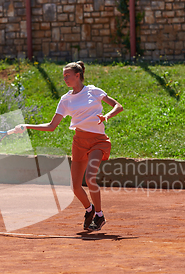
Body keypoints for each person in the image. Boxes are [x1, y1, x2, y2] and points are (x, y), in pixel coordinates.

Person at [13, 61, 123, 232]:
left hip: (98, 141)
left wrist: (106, 116)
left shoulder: (93, 91)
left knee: (90, 178)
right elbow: (51, 126)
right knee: (75, 186)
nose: (64, 79)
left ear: (77, 75)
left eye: (67, 75)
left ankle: (100, 215)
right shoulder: (65, 100)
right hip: (79, 142)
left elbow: (118, 106)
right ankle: (89, 209)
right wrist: (27, 126)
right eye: (63, 76)